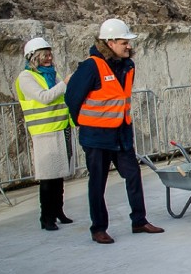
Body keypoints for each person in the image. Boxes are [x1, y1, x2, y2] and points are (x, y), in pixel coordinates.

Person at [65, 18, 164, 244]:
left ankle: (139, 221)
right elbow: (72, 96)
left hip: (121, 134)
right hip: (96, 137)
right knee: (97, 183)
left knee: (133, 176)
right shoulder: (91, 66)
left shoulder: (128, 66)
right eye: (123, 42)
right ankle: (98, 228)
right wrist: (81, 122)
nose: (128, 46)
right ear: (109, 43)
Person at [15, 38, 75, 231]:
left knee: (59, 175)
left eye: (50, 55)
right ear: (34, 58)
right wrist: (65, 83)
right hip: (44, 132)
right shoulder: (26, 77)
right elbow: (44, 97)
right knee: (48, 177)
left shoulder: (52, 74)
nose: (49, 58)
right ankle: (46, 217)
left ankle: (59, 211)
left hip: (60, 128)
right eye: (44, 56)